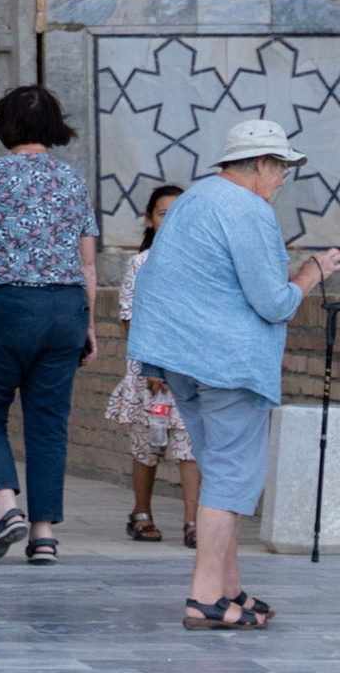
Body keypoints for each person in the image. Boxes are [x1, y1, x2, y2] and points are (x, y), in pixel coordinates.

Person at [127, 108, 340, 631]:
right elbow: (273, 302)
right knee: (231, 477)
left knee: (219, 467)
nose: (282, 180)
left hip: (179, 357)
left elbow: (183, 278)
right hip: (228, 361)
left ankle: (229, 588)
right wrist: (313, 272)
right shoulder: (248, 208)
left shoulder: (194, 198)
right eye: (281, 169)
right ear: (262, 164)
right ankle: (205, 598)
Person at [0, 80, 100, 564]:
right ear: (53, 126)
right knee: (48, 423)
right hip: (64, 310)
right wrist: (87, 321)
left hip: (5, 307)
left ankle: (7, 508)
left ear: (4, 127)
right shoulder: (72, 180)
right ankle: (43, 534)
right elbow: (87, 261)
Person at [106, 182, 201, 546]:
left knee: (190, 444)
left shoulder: (202, 264)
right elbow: (131, 317)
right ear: (149, 219)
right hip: (150, 368)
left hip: (190, 368)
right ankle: (141, 512)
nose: (172, 220)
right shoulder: (139, 264)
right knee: (147, 442)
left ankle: (193, 521)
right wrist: (153, 364)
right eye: (164, 213)